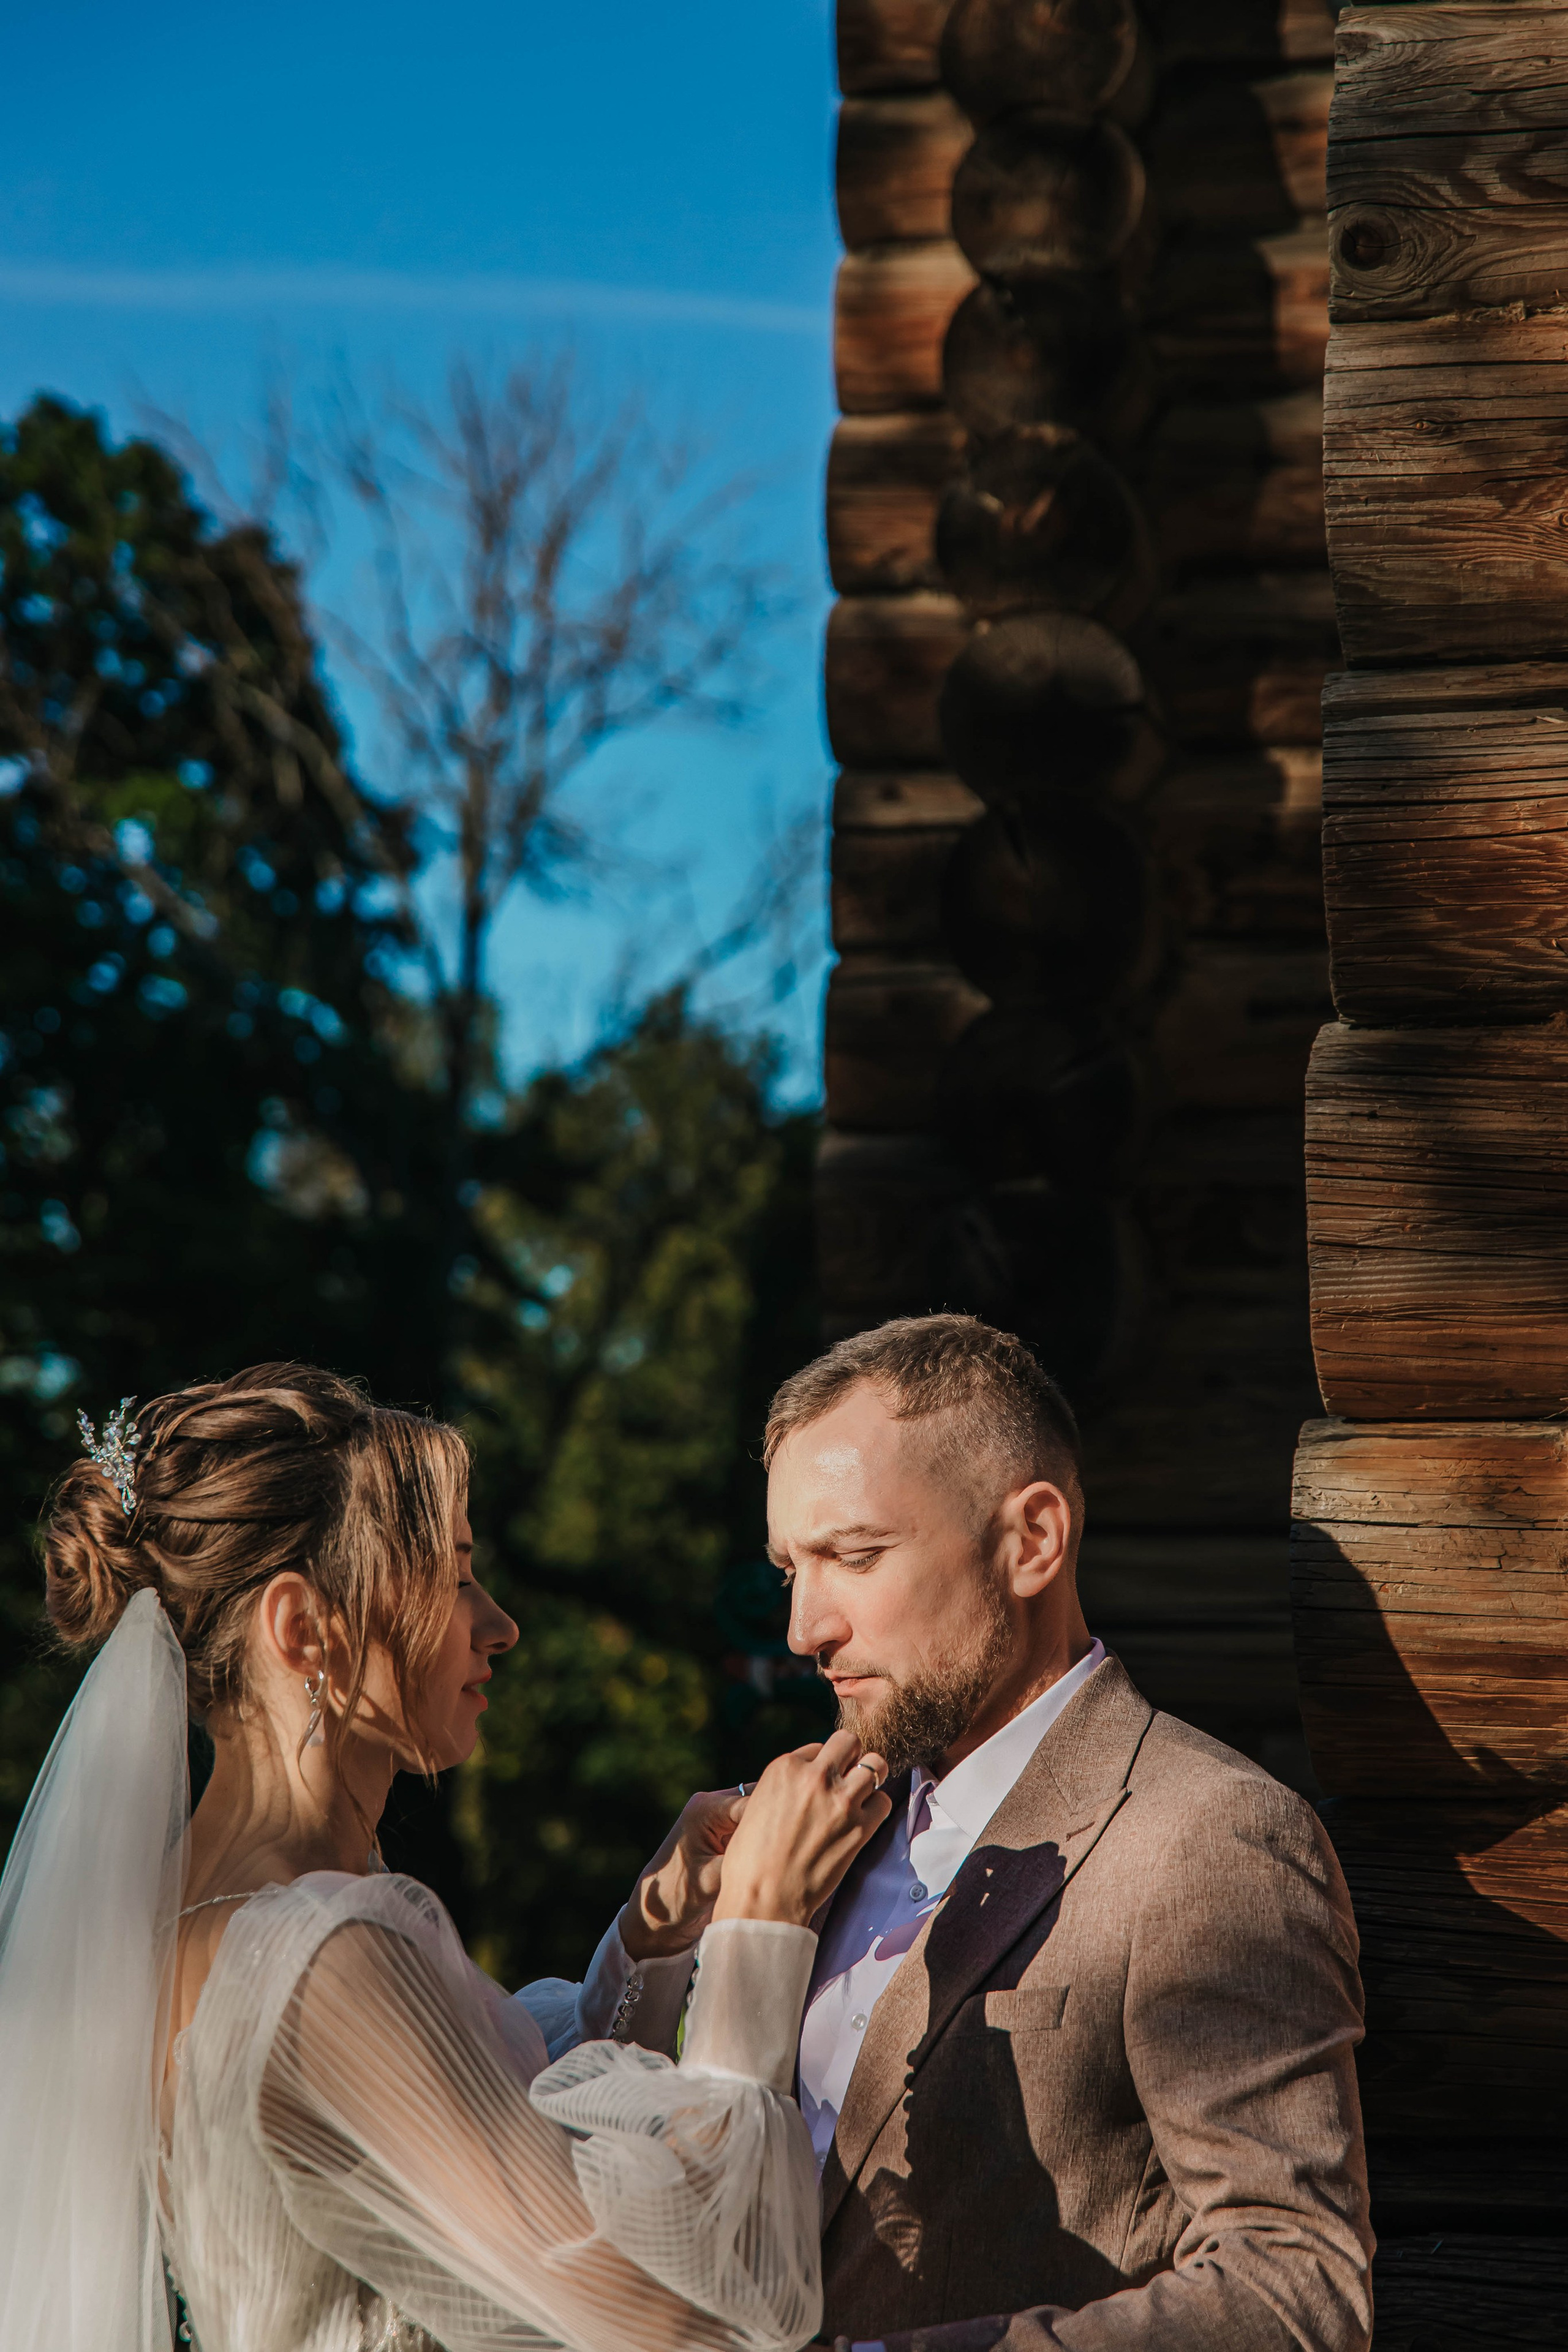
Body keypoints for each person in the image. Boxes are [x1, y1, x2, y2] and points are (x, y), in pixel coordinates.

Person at [0, 1363, 890, 2352]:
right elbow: (676, 2317)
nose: (499, 1624)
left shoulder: (187, 1918)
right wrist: (759, 1932)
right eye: (455, 1576)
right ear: (305, 1631)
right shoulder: (319, 1958)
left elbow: (497, 2137)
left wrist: (653, 1933)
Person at [586, 1314, 1374, 2352]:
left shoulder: (1209, 1838)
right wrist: (666, 1935)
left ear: (1032, 1540)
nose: (804, 1630)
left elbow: (1296, 2290)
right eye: (791, 1570)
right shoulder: (816, 1831)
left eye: (855, 1556)